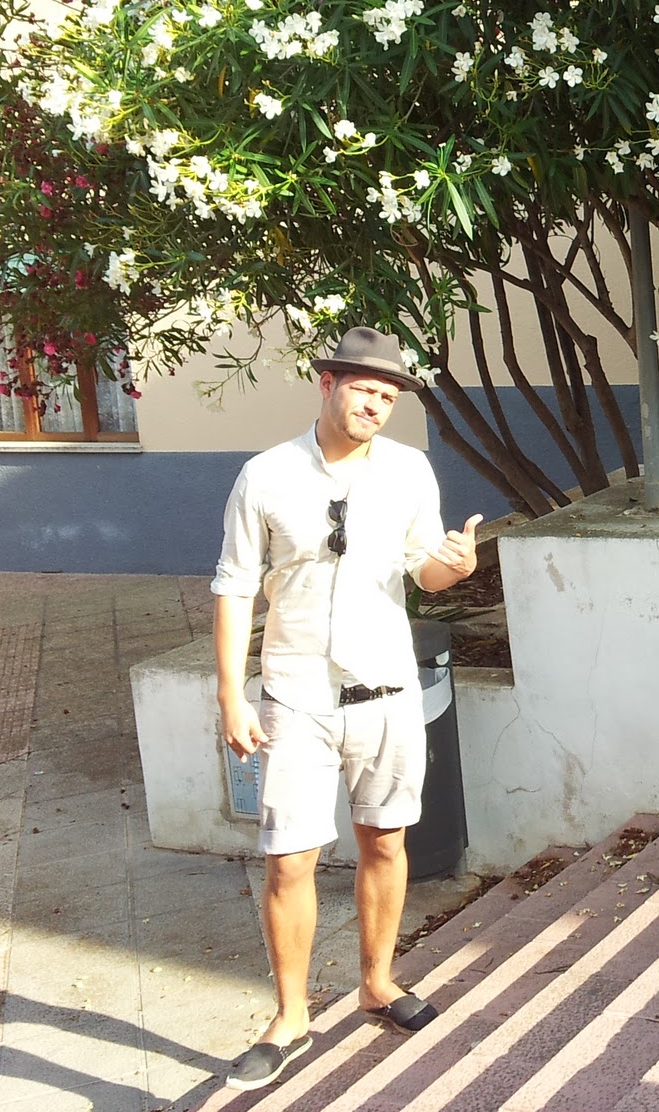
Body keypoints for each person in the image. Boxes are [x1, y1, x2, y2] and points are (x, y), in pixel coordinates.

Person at [211, 325, 484, 1091]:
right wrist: (230, 693)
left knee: (386, 843)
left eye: (388, 396)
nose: (375, 405)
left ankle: (378, 983)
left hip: (387, 690)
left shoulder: (408, 470)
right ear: (326, 383)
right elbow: (234, 586)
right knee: (290, 857)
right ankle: (291, 1017)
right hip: (296, 694)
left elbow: (424, 573)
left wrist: (456, 567)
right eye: (364, 389)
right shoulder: (265, 476)